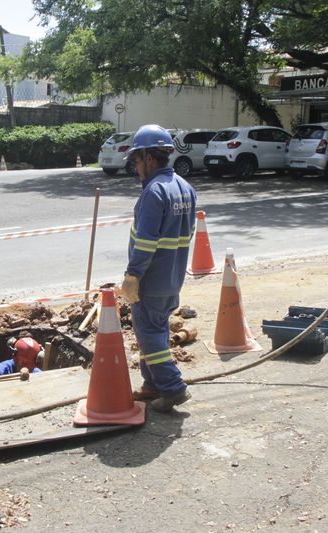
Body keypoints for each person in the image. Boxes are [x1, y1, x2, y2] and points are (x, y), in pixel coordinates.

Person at [118, 124, 197, 412]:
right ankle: (152, 385)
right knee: (154, 332)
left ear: (150, 158)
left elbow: (147, 242)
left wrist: (133, 276)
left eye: (136, 160)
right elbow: (188, 236)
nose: (135, 167)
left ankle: (173, 387)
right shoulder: (185, 188)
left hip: (151, 280)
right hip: (173, 278)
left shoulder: (154, 192)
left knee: (149, 335)